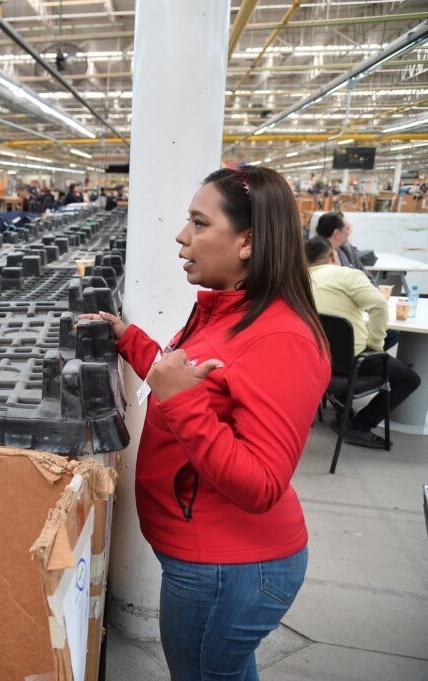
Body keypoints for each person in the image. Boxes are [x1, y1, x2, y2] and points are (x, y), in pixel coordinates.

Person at [83, 165, 329, 680]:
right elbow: (189, 376)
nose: (181, 235)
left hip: (231, 569)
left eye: (198, 222)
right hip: (211, 561)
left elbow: (262, 483)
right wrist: (130, 340)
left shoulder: (283, 339)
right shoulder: (228, 311)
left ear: (247, 242)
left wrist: (182, 402)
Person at [306, 236, 420, 448]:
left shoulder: (297, 280)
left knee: (387, 349)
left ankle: (341, 403)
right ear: (333, 256)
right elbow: (378, 305)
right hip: (352, 360)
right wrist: (376, 347)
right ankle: (358, 426)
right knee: (409, 379)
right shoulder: (348, 275)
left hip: (313, 358)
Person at [315, 212, 370, 276]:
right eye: (347, 229)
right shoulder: (315, 254)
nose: (350, 232)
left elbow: (365, 275)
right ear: (336, 233)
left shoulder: (347, 249)